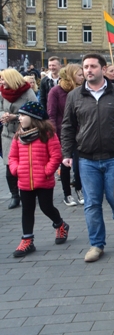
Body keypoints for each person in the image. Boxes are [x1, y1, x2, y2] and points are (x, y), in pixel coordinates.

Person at [61, 53, 114, 263]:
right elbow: (67, 126)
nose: (88, 70)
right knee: (92, 203)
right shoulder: (75, 96)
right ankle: (96, 244)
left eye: (93, 66)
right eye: (85, 67)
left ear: (103, 69)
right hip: (87, 158)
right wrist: (66, 153)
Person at [9, 101, 68, 257]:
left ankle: (60, 224)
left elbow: (56, 156)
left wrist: (47, 171)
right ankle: (27, 240)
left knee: (46, 207)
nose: (19, 118)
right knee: (27, 210)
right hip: (24, 180)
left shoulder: (47, 134)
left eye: (22, 115)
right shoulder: (19, 135)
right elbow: (12, 157)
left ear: (33, 117)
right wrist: (16, 169)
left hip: (44, 180)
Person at [0, 69, 38, 209]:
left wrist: (15, 117)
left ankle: (28, 192)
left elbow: (36, 110)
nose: (1, 82)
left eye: (3, 79)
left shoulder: (27, 92)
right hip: (7, 134)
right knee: (9, 166)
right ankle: (14, 195)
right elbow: (0, 108)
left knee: (25, 165)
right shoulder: (2, 92)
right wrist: (3, 115)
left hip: (25, 134)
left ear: (11, 79)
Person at [48, 64, 84, 207]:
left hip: (81, 132)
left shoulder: (83, 90)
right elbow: (51, 114)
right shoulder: (56, 91)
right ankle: (67, 194)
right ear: (70, 75)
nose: (82, 77)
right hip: (63, 132)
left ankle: (79, 189)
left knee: (80, 164)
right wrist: (54, 133)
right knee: (65, 164)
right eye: (79, 75)